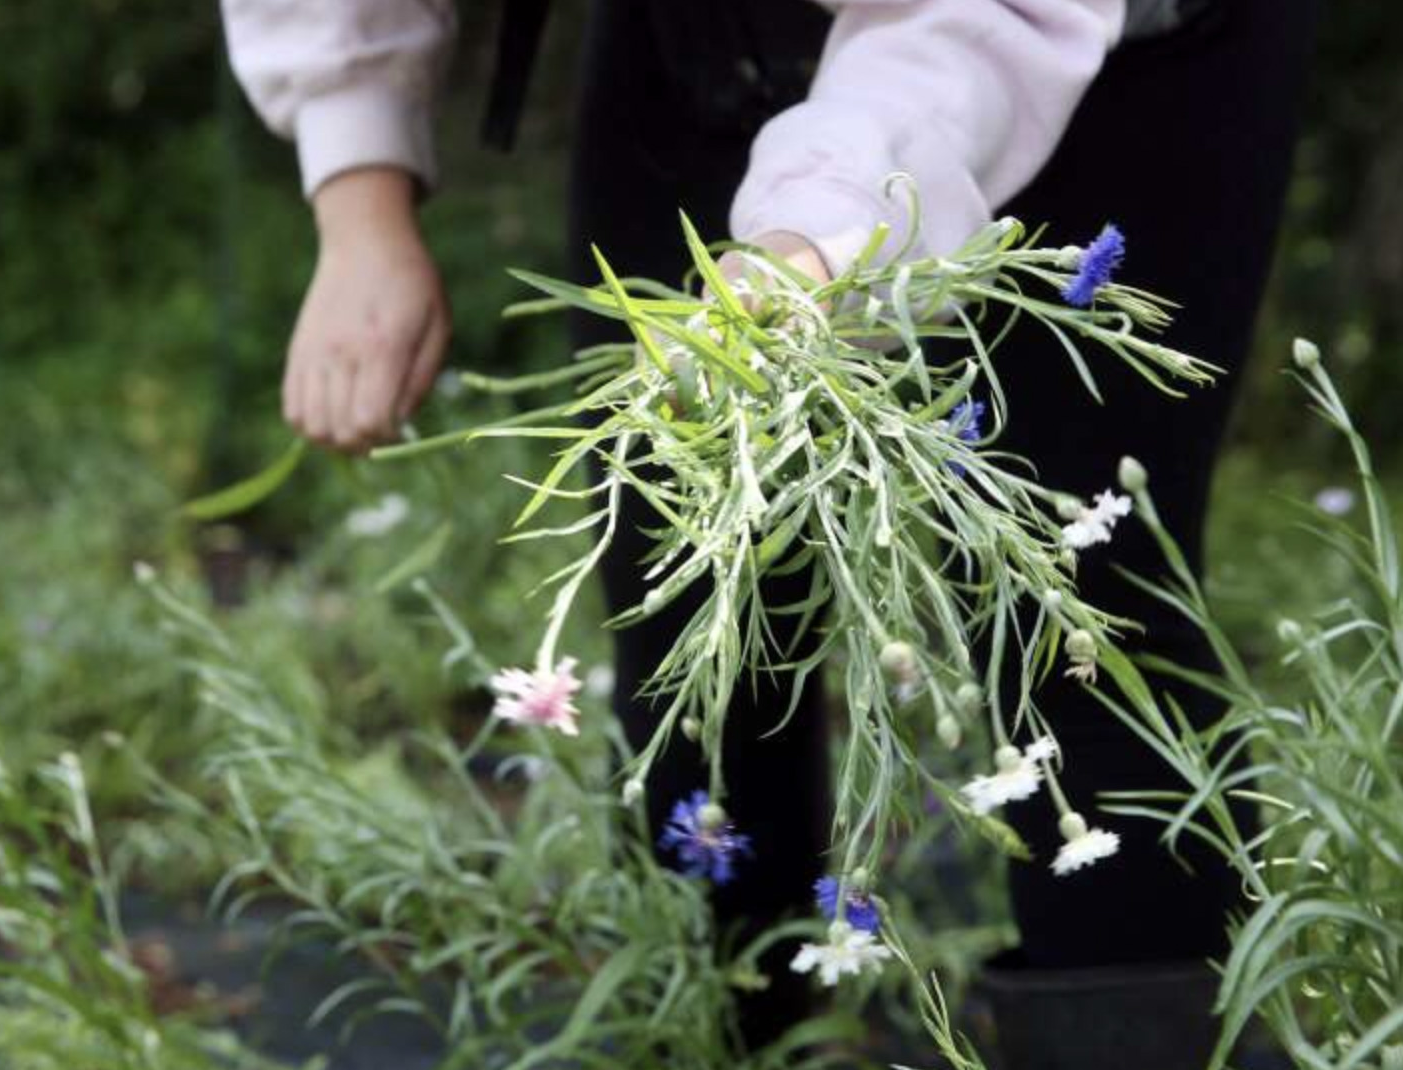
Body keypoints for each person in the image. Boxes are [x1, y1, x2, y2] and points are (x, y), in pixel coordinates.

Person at [220, 0, 1318, 1064]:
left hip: (1099, 46)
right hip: (702, 43)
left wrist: (816, 239)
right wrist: (357, 183)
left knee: (1069, 606)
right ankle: (720, 1033)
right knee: (694, 583)